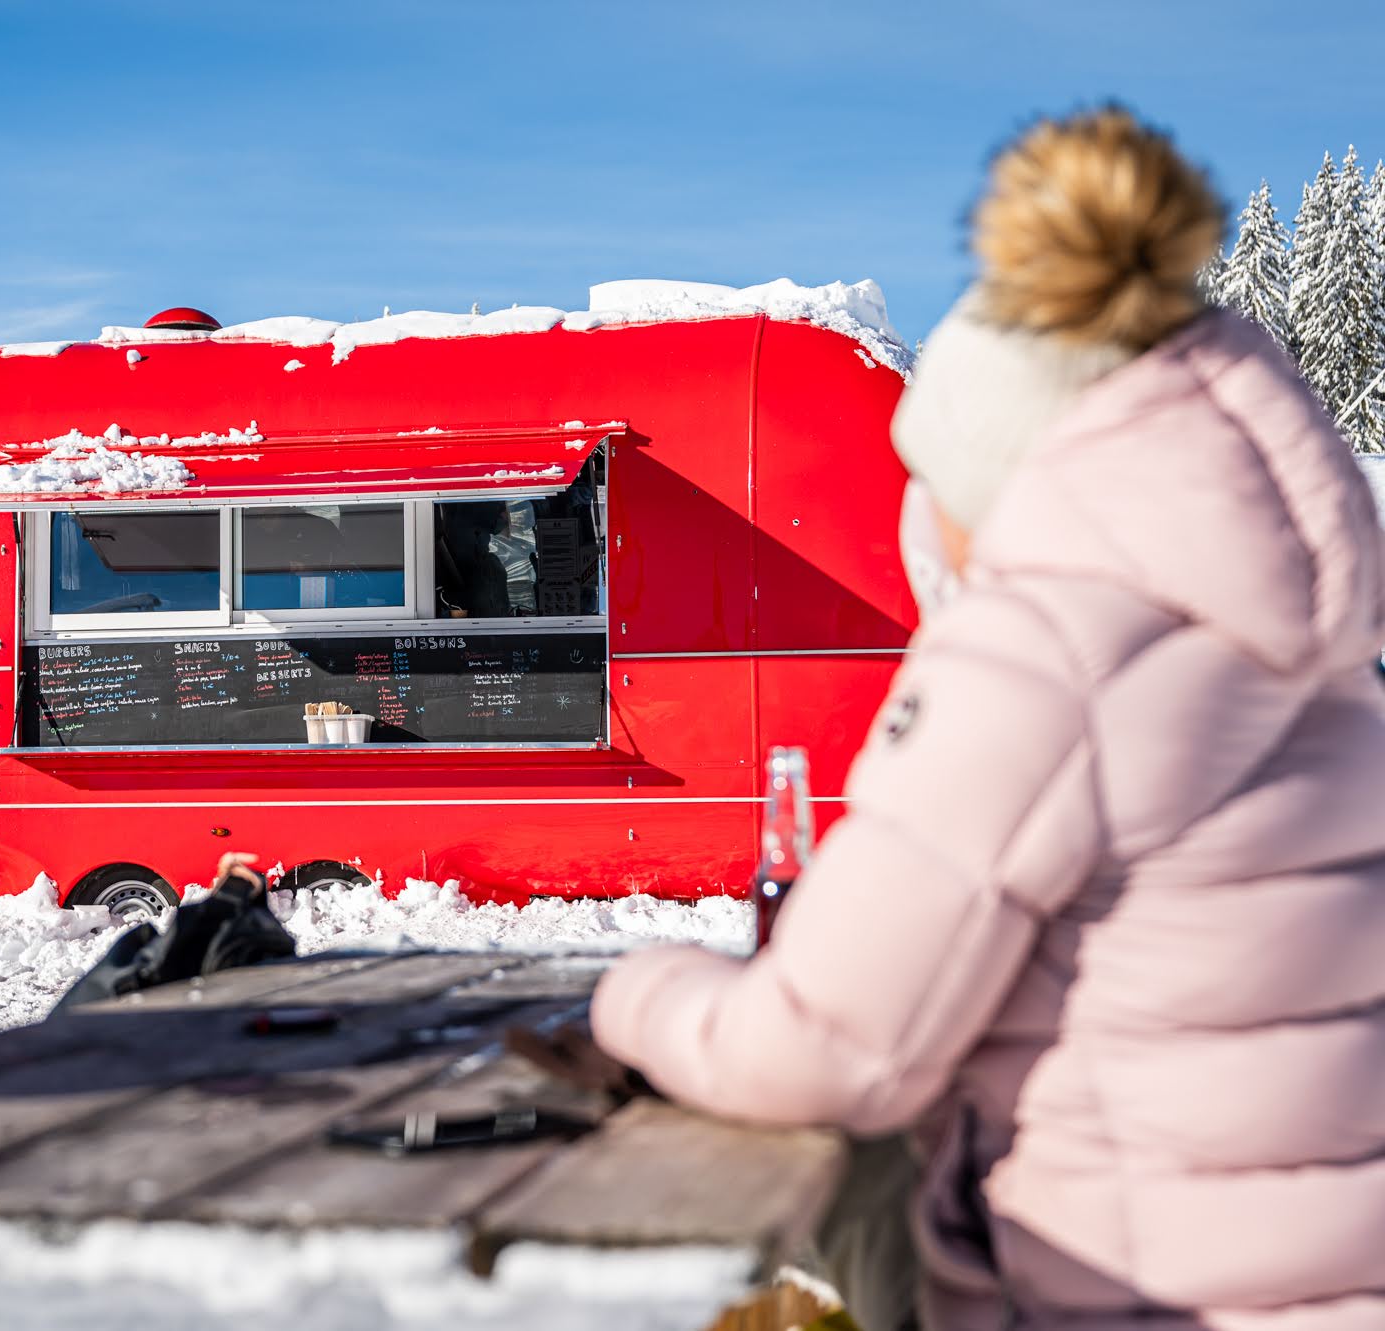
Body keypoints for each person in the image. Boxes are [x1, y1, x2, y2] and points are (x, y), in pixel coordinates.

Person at [588, 108, 1385, 1328]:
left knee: (822, 1214)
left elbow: (823, 1046)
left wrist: (633, 995)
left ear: (992, 480)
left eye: (930, 482)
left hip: (1119, 1296)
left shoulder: (1050, 651)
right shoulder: (1325, 672)